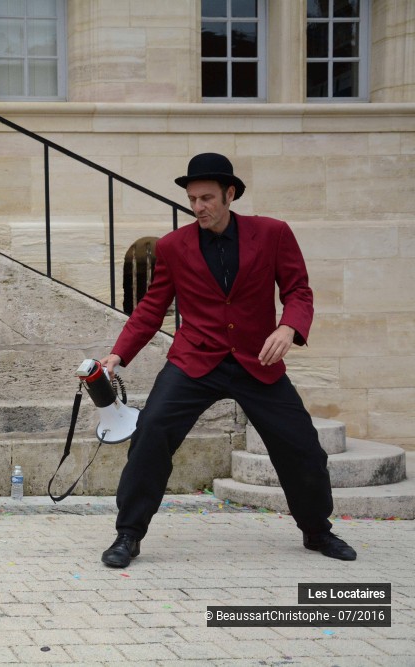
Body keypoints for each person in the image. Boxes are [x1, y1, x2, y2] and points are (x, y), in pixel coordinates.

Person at [99, 153, 355, 567]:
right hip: (194, 360)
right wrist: (118, 353)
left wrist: (288, 328)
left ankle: (316, 530)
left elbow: (298, 292)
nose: (198, 207)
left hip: (258, 362)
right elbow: (151, 307)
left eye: (207, 198)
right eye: (192, 199)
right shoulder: (173, 247)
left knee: (301, 446)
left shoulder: (272, 234)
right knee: (151, 432)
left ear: (230, 194)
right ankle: (128, 534)